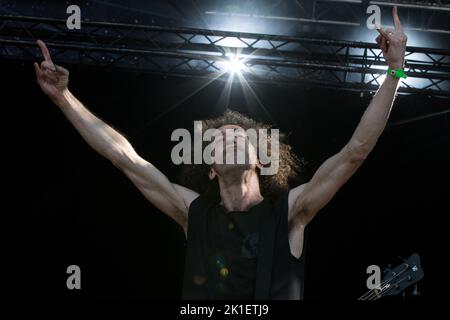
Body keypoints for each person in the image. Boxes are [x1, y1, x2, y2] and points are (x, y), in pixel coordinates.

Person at [34, 6, 407, 299]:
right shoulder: (192, 213)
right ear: (211, 168)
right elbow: (123, 156)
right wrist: (64, 98)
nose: (226, 138)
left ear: (260, 160)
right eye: (216, 140)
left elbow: (355, 151)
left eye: (237, 135)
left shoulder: (291, 213)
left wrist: (395, 72)